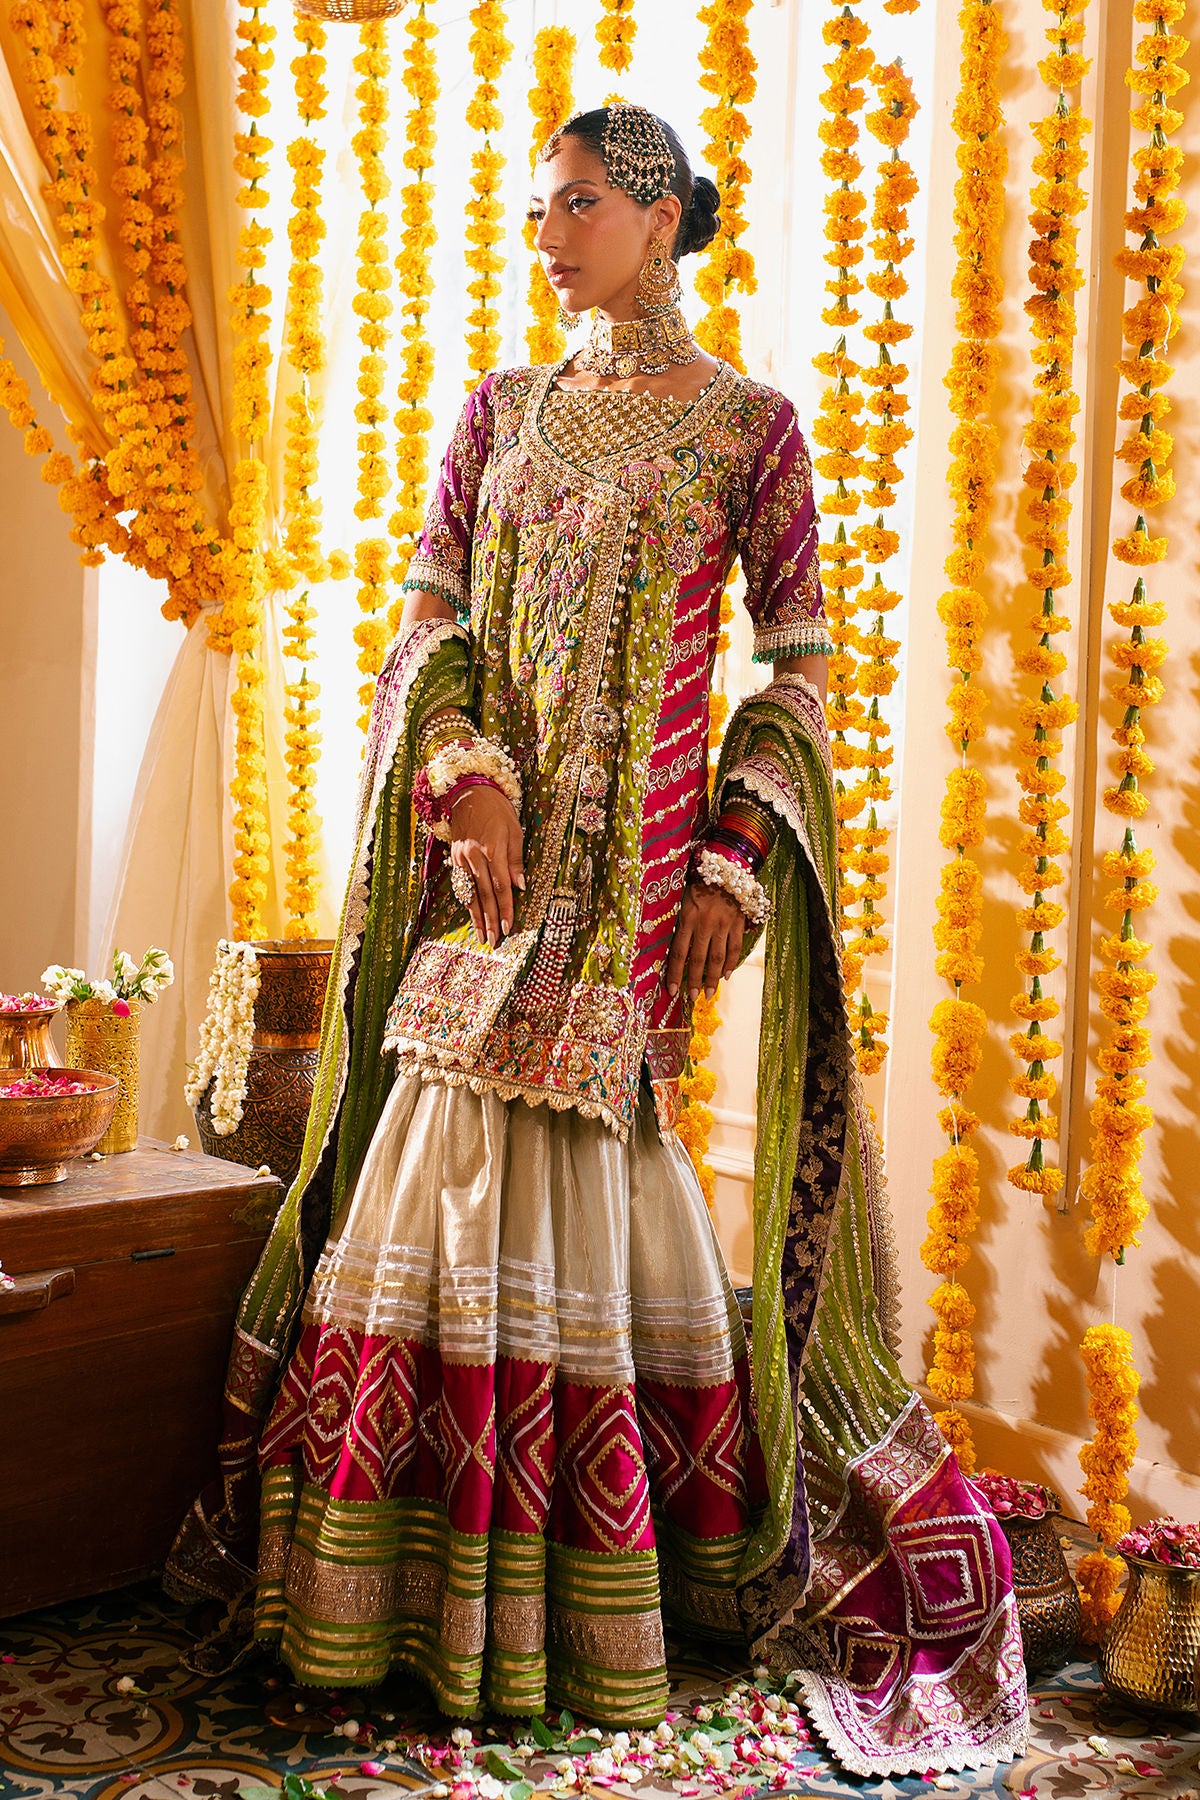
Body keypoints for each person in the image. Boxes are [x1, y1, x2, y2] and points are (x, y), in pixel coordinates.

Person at [168, 105, 1027, 1778]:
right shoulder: (499, 413)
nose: (547, 235)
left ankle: (577, 1608)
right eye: (540, 208)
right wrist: (465, 778)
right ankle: (388, 1600)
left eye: (574, 205)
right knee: (434, 1160)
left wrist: (736, 855)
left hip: (636, 890)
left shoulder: (749, 429)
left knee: (581, 1168)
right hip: (485, 878)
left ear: (657, 215)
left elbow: (802, 667)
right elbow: (429, 624)